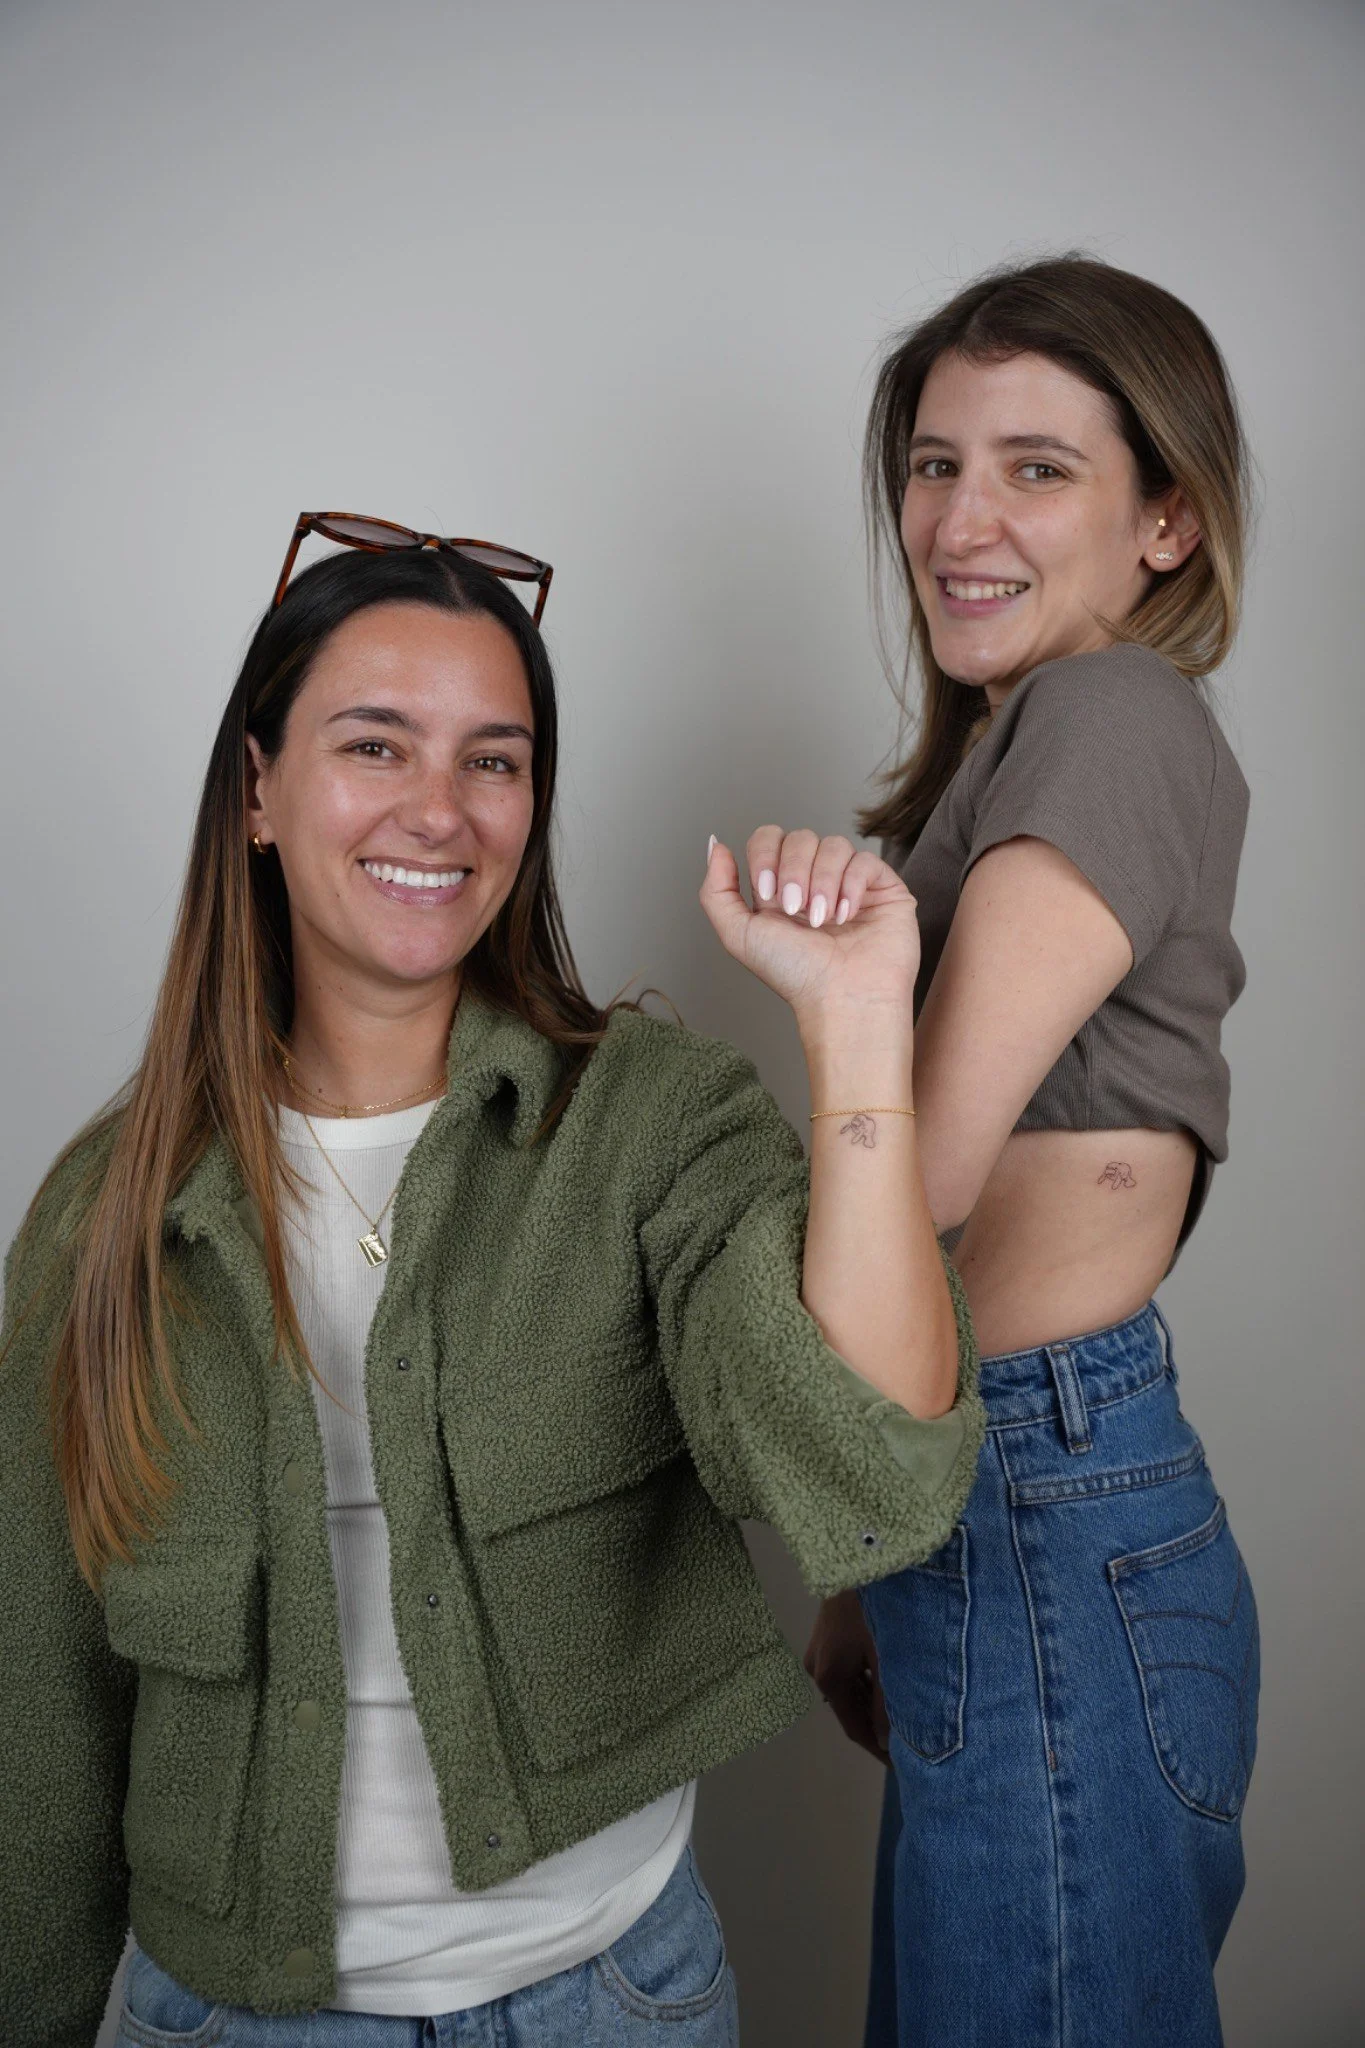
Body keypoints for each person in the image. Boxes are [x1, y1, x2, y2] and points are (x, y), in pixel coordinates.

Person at [0, 515, 982, 2048]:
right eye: (374, 746)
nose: (440, 811)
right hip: (222, 2016)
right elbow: (41, 1716)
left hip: (606, 1996)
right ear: (257, 788)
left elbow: (872, 1477)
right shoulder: (101, 1215)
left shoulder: (655, 1125)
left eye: (496, 761)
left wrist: (861, 1035)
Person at [799, 257, 1261, 2047]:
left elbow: (915, 1174)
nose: (959, 517)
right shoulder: (1013, 742)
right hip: (999, 1480)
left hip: (1045, 1488)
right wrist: (873, 1542)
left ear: (1169, 520)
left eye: (1035, 468)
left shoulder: (1110, 713)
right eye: (931, 464)